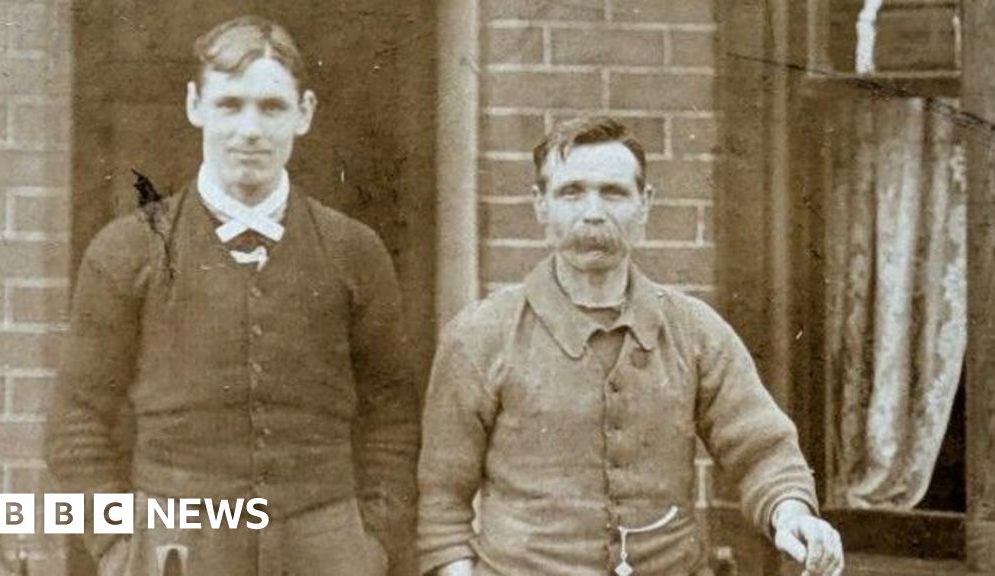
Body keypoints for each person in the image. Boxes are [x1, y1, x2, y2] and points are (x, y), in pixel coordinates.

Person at [45, 15, 419, 576]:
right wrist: (118, 547)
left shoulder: (354, 252)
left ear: (304, 113)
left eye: (271, 107)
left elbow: (393, 417)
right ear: (195, 105)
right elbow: (76, 422)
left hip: (324, 545)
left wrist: (370, 544)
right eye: (230, 105)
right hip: (176, 544)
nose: (250, 130)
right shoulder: (128, 250)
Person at [417, 117, 843, 575]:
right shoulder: (480, 335)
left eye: (613, 193)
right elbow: (442, 503)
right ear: (541, 205)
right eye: (571, 192)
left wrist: (791, 514)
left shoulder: (695, 330)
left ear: (645, 204)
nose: (593, 213)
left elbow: (761, 448)